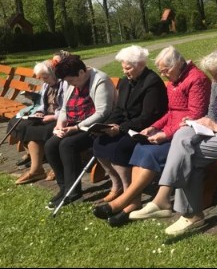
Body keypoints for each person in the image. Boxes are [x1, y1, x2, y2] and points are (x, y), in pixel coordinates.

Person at [128, 48, 217, 236]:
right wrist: (197, 122)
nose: (215, 80)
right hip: (215, 130)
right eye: (213, 76)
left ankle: (184, 211)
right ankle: (168, 202)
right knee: (183, 134)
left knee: (186, 154)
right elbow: (212, 113)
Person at [92, 46, 211, 227]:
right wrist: (154, 127)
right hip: (171, 130)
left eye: (166, 70)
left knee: (150, 154)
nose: (163, 75)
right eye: (161, 71)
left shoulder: (197, 79)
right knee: (141, 148)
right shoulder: (174, 79)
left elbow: (194, 116)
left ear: (178, 64)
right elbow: (170, 112)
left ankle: (122, 202)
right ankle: (131, 203)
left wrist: (165, 134)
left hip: (187, 135)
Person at [92, 45, 168, 203]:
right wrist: (108, 125)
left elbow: (149, 116)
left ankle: (129, 191)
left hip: (145, 128)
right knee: (99, 143)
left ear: (140, 65)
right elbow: (119, 108)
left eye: (128, 68)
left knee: (119, 148)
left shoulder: (152, 82)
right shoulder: (126, 82)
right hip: (126, 124)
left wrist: (120, 128)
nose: (125, 71)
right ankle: (116, 184)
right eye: (123, 68)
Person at [44, 55, 116, 208]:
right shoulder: (73, 81)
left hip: (96, 127)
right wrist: (59, 125)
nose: (70, 84)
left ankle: (73, 192)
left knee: (68, 145)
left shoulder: (100, 80)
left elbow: (103, 112)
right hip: (74, 124)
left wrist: (76, 128)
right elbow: (64, 108)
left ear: (82, 73)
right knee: (50, 145)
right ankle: (64, 187)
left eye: (71, 81)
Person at [11, 59, 65, 185]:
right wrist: (40, 111)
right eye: (41, 78)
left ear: (54, 73)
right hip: (47, 115)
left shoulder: (64, 84)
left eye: (45, 77)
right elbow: (42, 102)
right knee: (19, 124)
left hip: (59, 117)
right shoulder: (46, 85)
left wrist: (53, 117)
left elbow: (66, 108)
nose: (43, 80)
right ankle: (36, 169)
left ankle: (47, 167)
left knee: (39, 130)